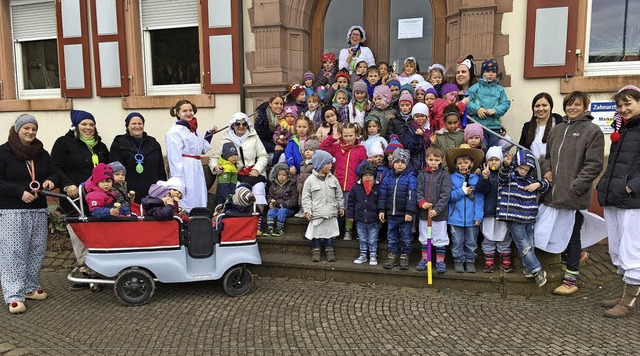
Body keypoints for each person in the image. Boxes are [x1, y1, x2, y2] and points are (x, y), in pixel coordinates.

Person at [540, 91, 604, 295]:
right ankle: (570, 260)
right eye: (569, 104)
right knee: (554, 232)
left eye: (577, 104)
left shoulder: (592, 131)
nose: (572, 108)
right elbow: (547, 156)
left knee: (573, 236)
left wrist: (576, 186)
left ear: (585, 107)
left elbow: (594, 165)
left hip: (574, 196)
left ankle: (570, 280)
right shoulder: (557, 129)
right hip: (553, 194)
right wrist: (547, 170)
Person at [0, 114, 58, 314]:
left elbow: (53, 172)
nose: (30, 132)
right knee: (13, 253)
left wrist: (51, 180)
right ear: (17, 130)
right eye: (26, 128)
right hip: (12, 210)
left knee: (36, 249)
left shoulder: (41, 153)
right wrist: (19, 192)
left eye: (33, 129)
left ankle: (30, 287)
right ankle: (13, 295)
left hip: (38, 208)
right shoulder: (4, 152)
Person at [596, 85, 640, 318]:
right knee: (618, 245)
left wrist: (631, 185)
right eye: (619, 105)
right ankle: (626, 293)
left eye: (628, 103)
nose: (623, 109)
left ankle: (628, 301)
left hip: (633, 199)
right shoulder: (621, 130)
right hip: (615, 196)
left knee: (632, 248)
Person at [210, 112, 269, 234]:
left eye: (244, 124)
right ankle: (242, 223)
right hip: (237, 175)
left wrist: (256, 169)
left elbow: (263, 155)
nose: (241, 126)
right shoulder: (225, 139)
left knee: (258, 191)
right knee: (237, 195)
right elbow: (214, 157)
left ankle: (257, 224)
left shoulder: (254, 137)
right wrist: (215, 166)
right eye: (238, 124)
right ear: (232, 125)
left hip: (254, 175)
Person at [497, 150, 550, 287]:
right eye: (521, 168)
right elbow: (502, 176)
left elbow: (547, 184)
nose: (523, 171)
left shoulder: (530, 179)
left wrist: (537, 184)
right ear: (515, 166)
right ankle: (537, 271)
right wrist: (506, 166)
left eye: (526, 170)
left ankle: (527, 269)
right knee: (524, 246)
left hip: (530, 218)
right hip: (515, 219)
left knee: (530, 245)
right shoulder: (510, 177)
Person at [51, 109, 109, 215]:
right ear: (76, 126)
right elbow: (55, 167)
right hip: (74, 197)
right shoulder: (64, 142)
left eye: (92, 124)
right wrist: (67, 184)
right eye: (84, 124)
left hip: (99, 199)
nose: (88, 127)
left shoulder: (101, 147)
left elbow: (108, 171)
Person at [320, 122, 368, 240]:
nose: (348, 138)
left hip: (352, 185)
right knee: (335, 208)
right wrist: (332, 138)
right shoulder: (336, 147)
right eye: (345, 136)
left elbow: (364, 166)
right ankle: (335, 230)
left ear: (356, 135)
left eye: (351, 135)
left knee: (349, 209)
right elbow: (322, 149)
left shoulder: (361, 149)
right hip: (337, 184)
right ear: (341, 135)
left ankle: (348, 230)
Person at [165, 100, 215, 212]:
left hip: (196, 168)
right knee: (187, 198)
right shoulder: (174, 132)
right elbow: (174, 159)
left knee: (199, 196)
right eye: (184, 111)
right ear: (178, 113)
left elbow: (202, 148)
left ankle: (199, 220)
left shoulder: (194, 130)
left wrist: (209, 133)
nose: (189, 113)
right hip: (185, 169)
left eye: (190, 110)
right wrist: (179, 181)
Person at [109, 112, 167, 204]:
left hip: (151, 189)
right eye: (133, 124)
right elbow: (114, 169)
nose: (137, 126)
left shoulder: (153, 143)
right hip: (129, 190)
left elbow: (161, 169)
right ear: (128, 126)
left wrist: (163, 187)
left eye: (140, 123)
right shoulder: (119, 143)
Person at [446, 144, 485, 273]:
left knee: (471, 242)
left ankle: (470, 261)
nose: (463, 165)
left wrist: (478, 216)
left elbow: (479, 199)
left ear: (472, 164)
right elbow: (449, 197)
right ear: (456, 165)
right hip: (455, 218)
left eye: (466, 162)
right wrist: (462, 191)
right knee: (457, 241)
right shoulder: (451, 179)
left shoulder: (477, 179)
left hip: (472, 218)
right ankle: (458, 260)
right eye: (460, 163)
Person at [302, 150, 344, 262]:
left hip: (330, 212)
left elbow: (338, 194)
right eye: (328, 163)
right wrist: (307, 210)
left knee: (329, 233)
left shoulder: (333, 179)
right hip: (317, 213)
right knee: (316, 234)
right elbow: (306, 197)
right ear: (320, 164)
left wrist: (341, 206)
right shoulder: (310, 180)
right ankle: (316, 251)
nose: (331, 165)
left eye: (331, 163)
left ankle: (329, 250)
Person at [476, 147, 513, 273]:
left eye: (496, 160)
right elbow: (481, 190)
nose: (493, 162)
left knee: (504, 236)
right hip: (489, 212)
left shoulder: (505, 174)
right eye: (491, 160)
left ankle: (505, 258)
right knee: (488, 237)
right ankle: (489, 260)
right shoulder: (484, 174)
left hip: (502, 212)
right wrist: (484, 178)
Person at [379, 148, 417, 270]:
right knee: (392, 235)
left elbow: (412, 195)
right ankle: (393, 254)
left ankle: (404, 255)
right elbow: (383, 194)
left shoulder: (410, 177)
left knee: (406, 236)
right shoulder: (388, 176)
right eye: (397, 161)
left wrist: (410, 212)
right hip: (391, 213)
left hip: (405, 214)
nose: (400, 164)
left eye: (402, 162)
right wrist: (382, 210)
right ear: (392, 162)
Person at [416, 146, 452, 273]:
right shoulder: (422, 175)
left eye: (437, 160)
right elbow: (418, 191)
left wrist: (437, 209)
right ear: (426, 159)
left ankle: (440, 261)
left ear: (441, 160)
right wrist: (422, 202)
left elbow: (445, 195)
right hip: (424, 214)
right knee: (425, 237)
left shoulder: (445, 175)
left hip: (439, 215)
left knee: (439, 237)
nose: (433, 162)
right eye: (431, 159)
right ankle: (425, 259)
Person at [466, 59, 511, 150]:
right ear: (482, 73)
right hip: (478, 126)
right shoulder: (475, 88)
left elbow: (505, 103)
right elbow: (466, 102)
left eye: (493, 72)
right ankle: (481, 164)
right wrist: (477, 109)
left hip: (494, 126)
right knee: (482, 148)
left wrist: (495, 110)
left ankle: (493, 165)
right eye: (487, 71)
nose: (490, 74)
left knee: (494, 149)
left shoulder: (500, 89)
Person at [347, 162, 381, 266]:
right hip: (360, 218)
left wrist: (381, 213)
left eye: (371, 175)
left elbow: (382, 202)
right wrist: (350, 216)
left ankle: (373, 255)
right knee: (362, 238)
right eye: (365, 175)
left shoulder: (378, 188)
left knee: (372, 239)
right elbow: (350, 203)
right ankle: (363, 255)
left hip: (374, 219)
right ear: (361, 177)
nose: (368, 177)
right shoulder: (356, 188)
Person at [518, 92, 564, 160]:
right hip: (534, 168)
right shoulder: (527, 127)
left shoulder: (560, 124)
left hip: (554, 168)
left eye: (544, 105)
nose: (541, 109)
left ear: (550, 106)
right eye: (537, 106)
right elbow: (521, 149)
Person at [265, 163, 298, 236]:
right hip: (276, 206)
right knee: (271, 211)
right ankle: (270, 228)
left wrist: (284, 204)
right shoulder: (273, 186)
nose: (281, 177)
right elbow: (270, 196)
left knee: (282, 211)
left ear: (288, 176)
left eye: (284, 175)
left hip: (288, 209)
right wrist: (271, 202)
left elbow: (294, 199)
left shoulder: (291, 186)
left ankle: (279, 228)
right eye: (279, 175)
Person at [254, 95, 285, 164]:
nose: (279, 106)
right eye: (276, 103)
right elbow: (259, 140)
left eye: (281, 104)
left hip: (284, 147)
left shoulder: (287, 116)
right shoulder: (261, 119)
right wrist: (273, 147)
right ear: (270, 104)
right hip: (267, 150)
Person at [434, 104, 465, 171]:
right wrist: (433, 143)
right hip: (443, 170)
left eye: (455, 122)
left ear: (459, 122)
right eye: (449, 123)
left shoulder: (463, 135)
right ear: (444, 123)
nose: (453, 125)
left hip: (460, 169)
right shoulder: (439, 136)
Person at [294, 138, 320, 218]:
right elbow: (300, 174)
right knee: (301, 196)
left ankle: (309, 210)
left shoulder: (315, 163)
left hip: (310, 185)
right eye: (306, 150)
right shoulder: (302, 163)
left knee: (310, 197)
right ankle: (301, 209)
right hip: (302, 184)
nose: (308, 151)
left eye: (311, 150)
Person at [404, 103, 432, 174]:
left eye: (422, 116)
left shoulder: (430, 129)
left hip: (429, 162)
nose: (420, 119)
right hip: (415, 164)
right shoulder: (410, 129)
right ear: (413, 117)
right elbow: (410, 149)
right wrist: (418, 137)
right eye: (417, 116)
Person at [215, 142, 239, 208]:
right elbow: (223, 186)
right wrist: (229, 198)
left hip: (229, 194)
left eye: (235, 155)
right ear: (226, 156)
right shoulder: (226, 168)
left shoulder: (232, 166)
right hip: (224, 198)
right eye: (231, 155)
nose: (234, 157)